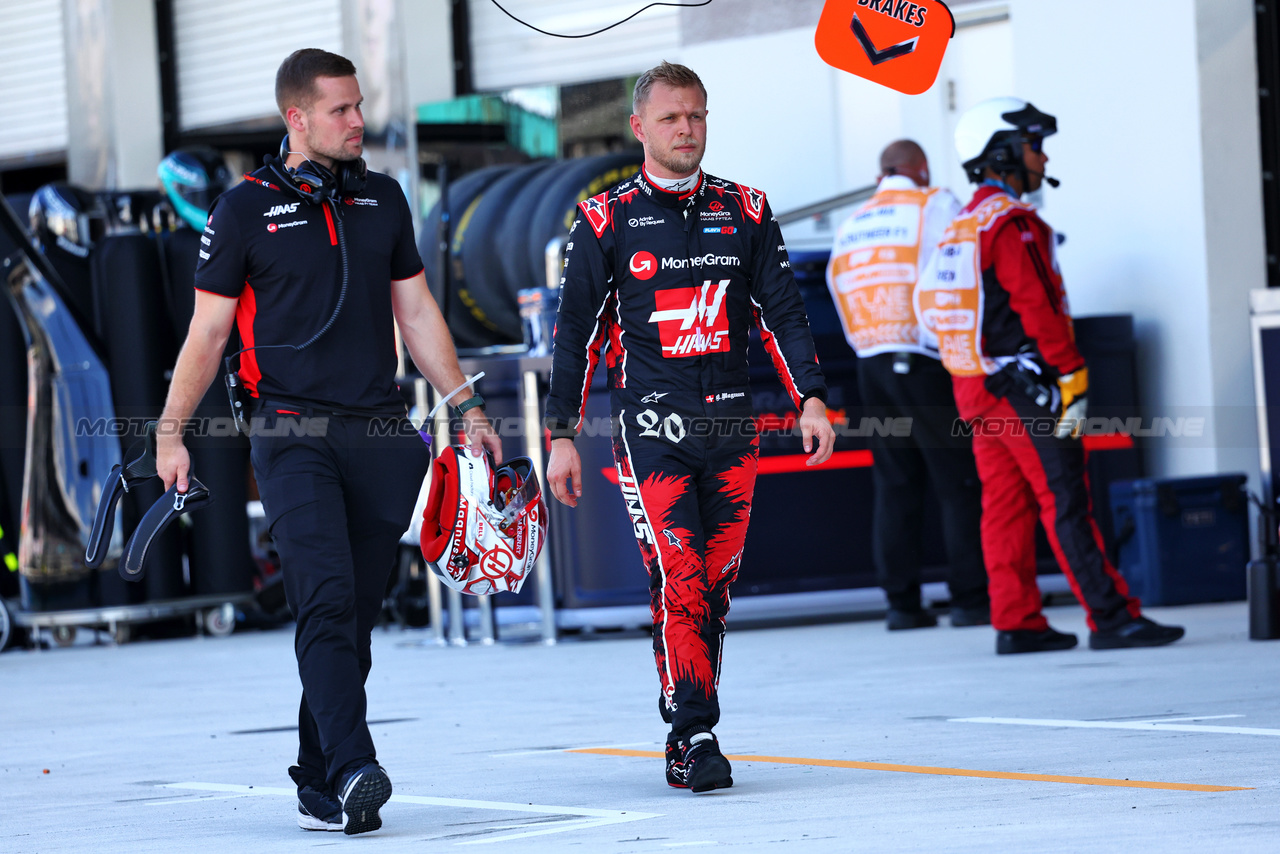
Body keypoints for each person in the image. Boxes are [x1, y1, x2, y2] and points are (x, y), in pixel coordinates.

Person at [154, 48, 500, 833]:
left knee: (355, 618)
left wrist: (466, 405)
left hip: (381, 432)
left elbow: (416, 313)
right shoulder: (241, 211)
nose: (357, 121)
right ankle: (355, 768)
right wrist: (170, 434)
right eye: (340, 110)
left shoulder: (383, 199)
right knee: (326, 599)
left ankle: (316, 774)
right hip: (289, 432)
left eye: (358, 105)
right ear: (296, 119)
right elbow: (207, 335)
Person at [544, 61, 836, 793]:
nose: (687, 129)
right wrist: (560, 437)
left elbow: (783, 312)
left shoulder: (748, 209)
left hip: (733, 430)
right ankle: (693, 733)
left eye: (697, 116)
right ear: (640, 128)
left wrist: (812, 397)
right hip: (652, 433)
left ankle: (691, 715)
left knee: (717, 586)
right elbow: (573, 335)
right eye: (672, 118)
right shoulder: (604, 220)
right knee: (679, 580)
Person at [916, 97, 1184, 655]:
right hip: (1024, 388)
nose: (1042, 158)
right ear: (1004, 152)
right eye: (1035, 146)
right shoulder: (1013, 223)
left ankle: (1017, 622)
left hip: (974, 385)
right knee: (1065, 499)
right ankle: (1110, 616)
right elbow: (1037, 306)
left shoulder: (961, 224)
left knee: (1005, 505)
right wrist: (1071, 374)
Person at [825, 140, 989, 631]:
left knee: (896, 485)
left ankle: (902, 605)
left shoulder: (851, 224)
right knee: (958, 481)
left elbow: (837, 285)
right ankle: (971, 600)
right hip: (925, 362)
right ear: (920, 169)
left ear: (881, 176)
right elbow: (966, 265)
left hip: (870, 365)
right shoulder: (935, 201)